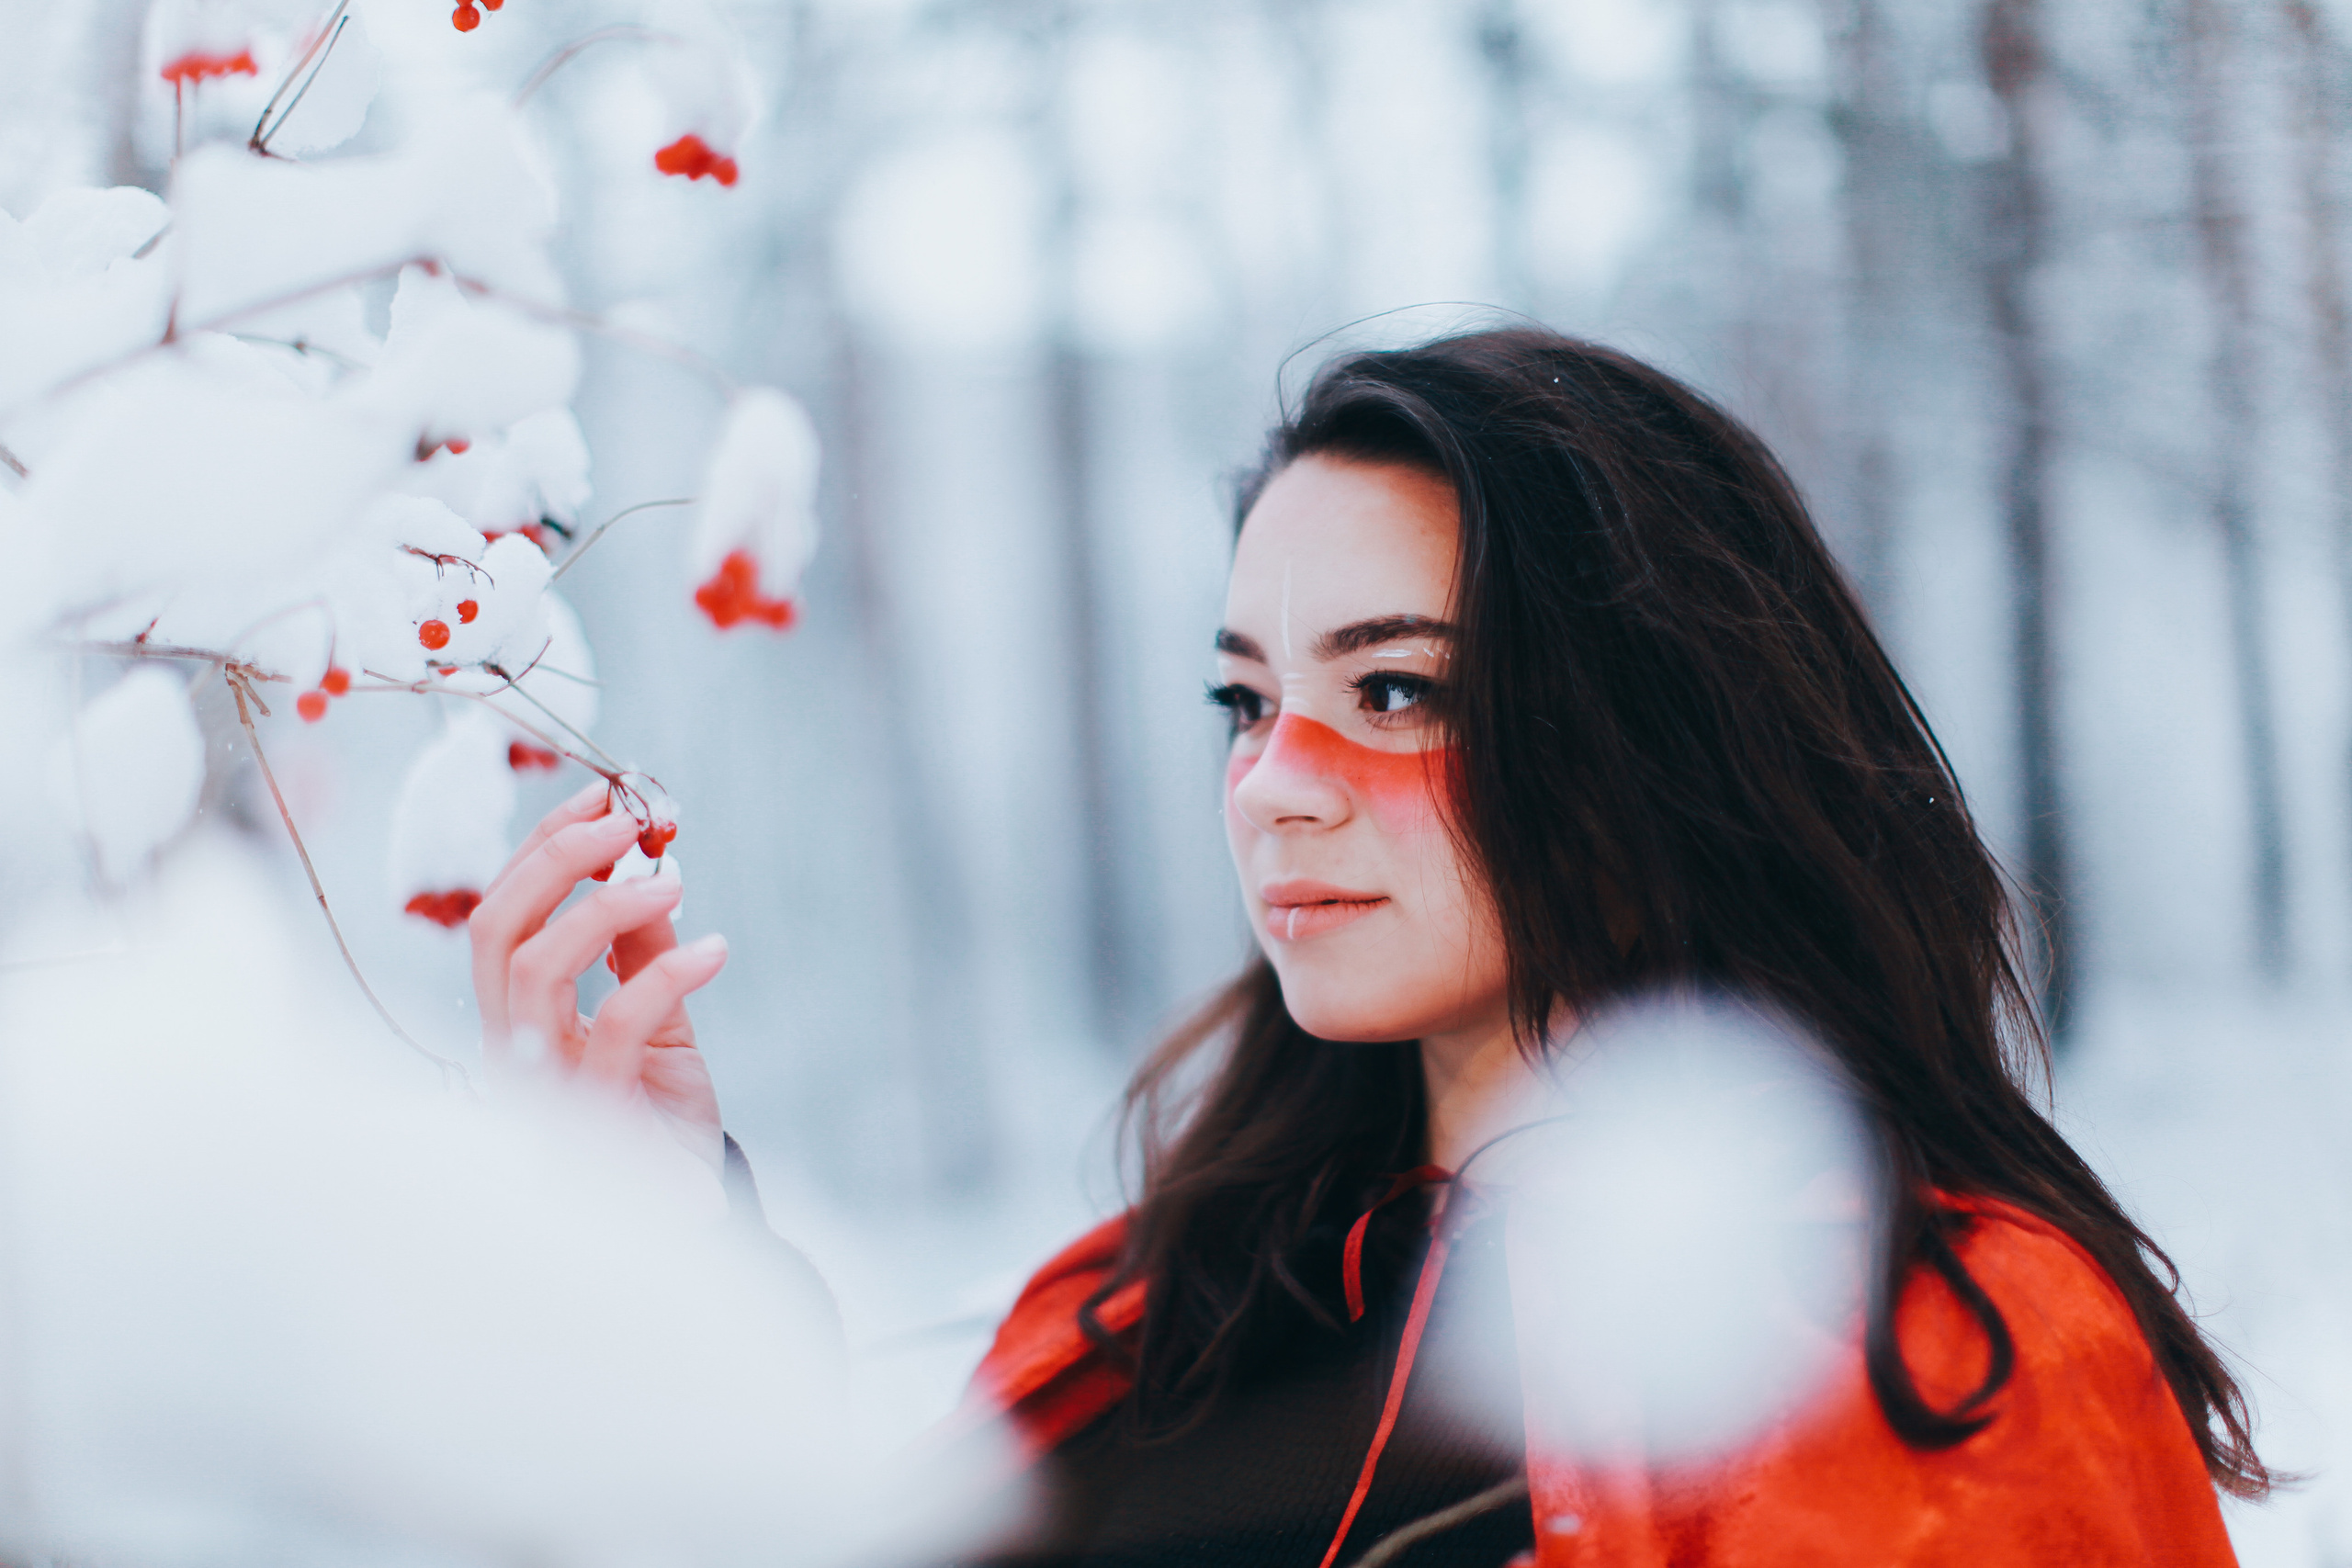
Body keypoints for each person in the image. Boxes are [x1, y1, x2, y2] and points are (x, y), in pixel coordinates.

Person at [466, 327, 2269, 1565]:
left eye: (1392, 687)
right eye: (1242, 696)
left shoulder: (1945, 1334)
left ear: (1660, 731)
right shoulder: (1154, 1308)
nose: (1270, 784)